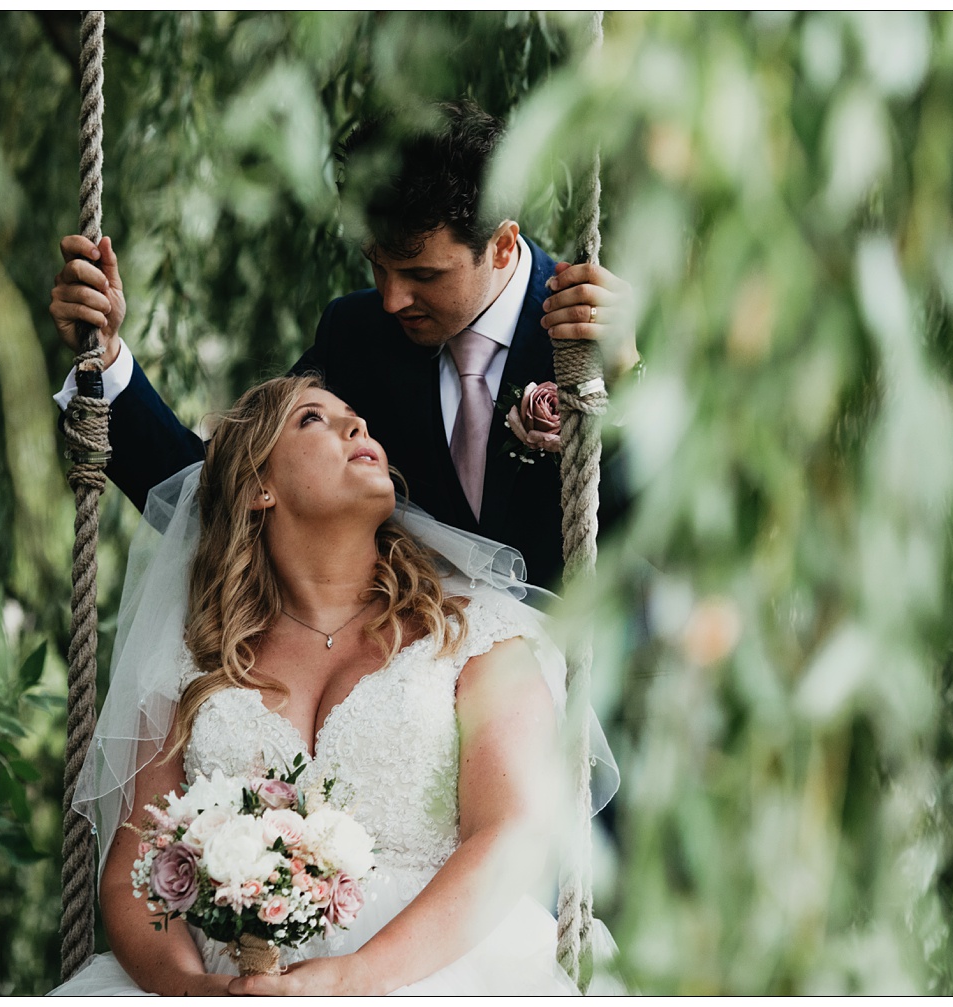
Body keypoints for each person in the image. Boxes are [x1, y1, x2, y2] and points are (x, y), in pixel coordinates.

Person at [50, 375, 614, 996]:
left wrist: (347, 980)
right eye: (313, 420)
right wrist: (194, 990)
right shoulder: (194, 661)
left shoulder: (478, 633)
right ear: (259, 486)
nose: (358, 427)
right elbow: (135, 865)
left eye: (357, 418)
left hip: (438, 971)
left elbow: (512, 835)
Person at [49, 99, 637, 589]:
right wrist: (107, 361)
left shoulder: (601, 332)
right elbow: (224, 492)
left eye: (422, 275)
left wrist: (626, 383)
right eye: (376, 267)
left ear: (503, 247)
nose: (391, 300)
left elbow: (672, 539)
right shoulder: (356, 337)